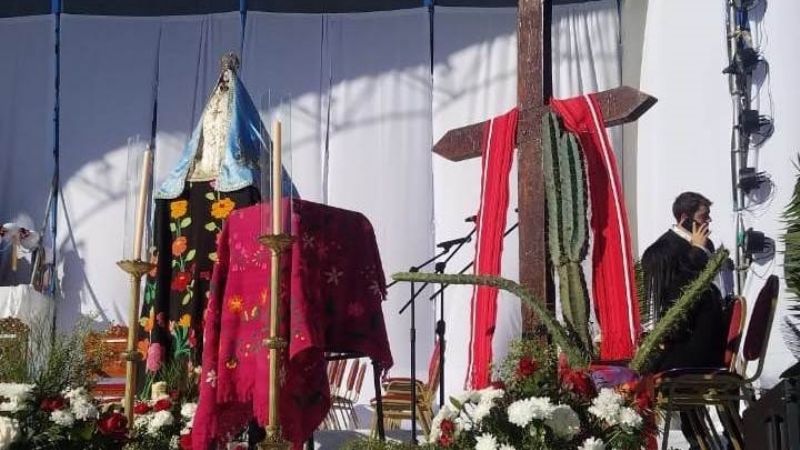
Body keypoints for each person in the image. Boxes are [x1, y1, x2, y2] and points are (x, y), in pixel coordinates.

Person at [640, 191, 728, 448]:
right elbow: (674, 299)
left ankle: (698, 439)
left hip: (701, 343)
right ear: (684, 218)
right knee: (636, 370)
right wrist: (697, 252)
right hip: (684, 340)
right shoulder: (662, 252)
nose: (708, 221)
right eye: (703, 216)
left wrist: (699, 251)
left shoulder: (702, 248)